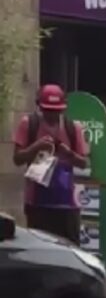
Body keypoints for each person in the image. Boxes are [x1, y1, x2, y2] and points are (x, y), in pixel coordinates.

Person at [12, 84, 89, 243]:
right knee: (39, 245)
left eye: (57, 110)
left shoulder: (73, 127)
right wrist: (36, 147)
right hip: (37, 200)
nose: (52, 115)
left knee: (70, 246)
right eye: (47, 110)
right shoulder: (29, 124)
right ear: (39, 106)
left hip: (67, 201)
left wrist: (68, 154)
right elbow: (17, 159)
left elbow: (83, 163)